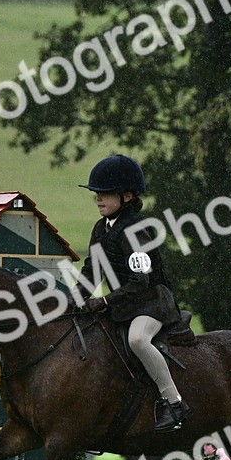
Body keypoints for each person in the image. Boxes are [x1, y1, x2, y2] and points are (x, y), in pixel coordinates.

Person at [75, 154, 193, 432]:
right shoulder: (101, 228)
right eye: (96, 195)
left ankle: (174, 403)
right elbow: (93, 269)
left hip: (152, 302)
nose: (98, 200)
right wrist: (75, 298)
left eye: (105, 194)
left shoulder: (137, 228)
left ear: (127, 197)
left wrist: (103, 300)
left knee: (138, 339)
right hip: (124, 304)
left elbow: (140, 282)